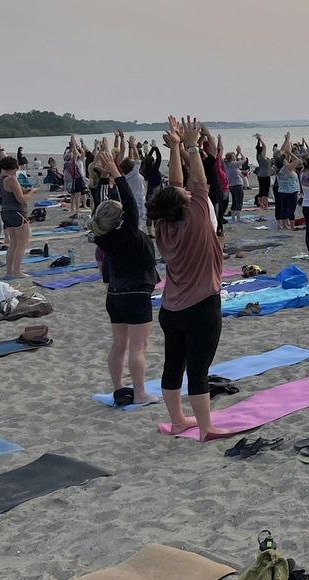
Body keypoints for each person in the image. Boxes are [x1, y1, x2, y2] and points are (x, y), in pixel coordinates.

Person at [150, 116, 231, 441]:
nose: (186, 192)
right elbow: (198, 182)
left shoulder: (162, 226)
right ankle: (206, 426)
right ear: (186, 204)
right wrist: (193, 147)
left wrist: (173, 148)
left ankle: (179, 420)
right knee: (198, 370)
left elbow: (175, 187)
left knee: (173, 367)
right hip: (201, 307)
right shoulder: (197, 219)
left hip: (171, 311)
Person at [89, 149, 160, 405]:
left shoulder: (103, 236)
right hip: (136, 293)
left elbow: (117, 206)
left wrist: (109, 177)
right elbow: (131, 203)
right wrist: (118, 174)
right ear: (120, 218)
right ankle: (140, 393)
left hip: (115, 295)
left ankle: (119, 388)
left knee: (119, 344)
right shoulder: (128, 232)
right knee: (138, 347)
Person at [0, 156, 36, 279]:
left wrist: (27, 190)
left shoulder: (1, 178)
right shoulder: (11, 179)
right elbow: (21, 199)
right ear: (13, 167)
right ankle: (17, 272)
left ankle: (9, 272)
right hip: (16, 212)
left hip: (6, 213)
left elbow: (15, 192)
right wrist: (31, 193)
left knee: (13, 243)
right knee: (22, 243)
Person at [275, 133, 300, 231]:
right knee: (291, 209)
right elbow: (297, 160)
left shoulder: (279, 168)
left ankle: (284, 225)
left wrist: (287, 140)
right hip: (291, 192)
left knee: (284, 209)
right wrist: (290, 153)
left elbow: (281, 153)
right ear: (284, 161)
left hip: (282, 191)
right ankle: (291, 226)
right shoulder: (288, 168)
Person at [223, 146, 247, 224]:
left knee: (234, 200)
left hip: (231, 186)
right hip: (237, 185)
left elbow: (232, 159)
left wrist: (236, 153)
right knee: (239, 201)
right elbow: (244, 159)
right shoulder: (234, 164)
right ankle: (239, 217)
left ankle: (233, 217)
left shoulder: (226, 164)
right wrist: (240, 152)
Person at [254, 135, 272, 209]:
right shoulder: (262, 156)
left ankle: (261, 204)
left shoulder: (258, 155)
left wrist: (258, 141)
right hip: (265, 175)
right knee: (265, 191)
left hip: (260, 175)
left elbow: (258, 147)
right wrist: (260, 139)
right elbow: (264, 146)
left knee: (261, 190)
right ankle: (265, 205)